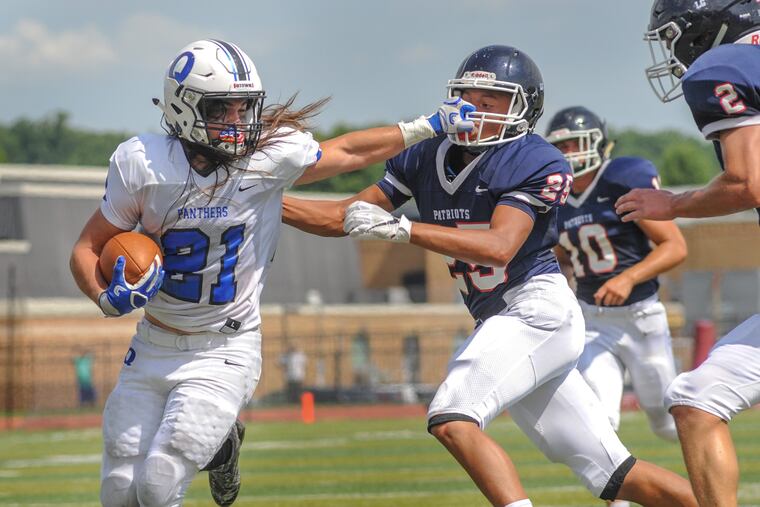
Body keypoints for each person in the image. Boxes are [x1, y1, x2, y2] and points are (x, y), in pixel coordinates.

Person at [283, 44, 697, 507]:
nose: (474, 110)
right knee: (614, 474)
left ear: (523, 108)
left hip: (537, 311)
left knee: (452, 415)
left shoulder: (536, 159)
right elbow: (344, 215)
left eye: (490, 101)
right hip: (501, 319)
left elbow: (501, 247)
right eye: (468, 96)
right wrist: (263, 202)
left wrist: (405, 229)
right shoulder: (425, 155)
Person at [69, 39, 473, 507]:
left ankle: (220, 448)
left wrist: (426, 126)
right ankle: (222, 447)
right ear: (183, 107)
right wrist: (103, 296)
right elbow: (86, 248)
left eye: (245, 108)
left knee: (159, 481)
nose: (238, 121)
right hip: (153, 341)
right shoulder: (142, 163)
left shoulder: (267, 157)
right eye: (223, 108)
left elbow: (343, 153)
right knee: (119, 488)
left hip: (225, 345)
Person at [615, 2, 760, 505]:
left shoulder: (723, 68)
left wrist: (672, 202)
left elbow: (746, 183)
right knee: (695, 399)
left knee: (697, 398)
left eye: (674, 34)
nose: (674, 48)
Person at [546, 106, 688, 507]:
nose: (569, 152)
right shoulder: (556, 198)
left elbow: (676, 246)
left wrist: (627, 277)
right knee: (600, 420)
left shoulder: (622, 179)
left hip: (642, 319)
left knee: (665, 422)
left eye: (575, 143)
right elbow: (558, 253)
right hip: (592, 322)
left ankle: (710, 481)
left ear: (597, 143)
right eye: (561, 147)